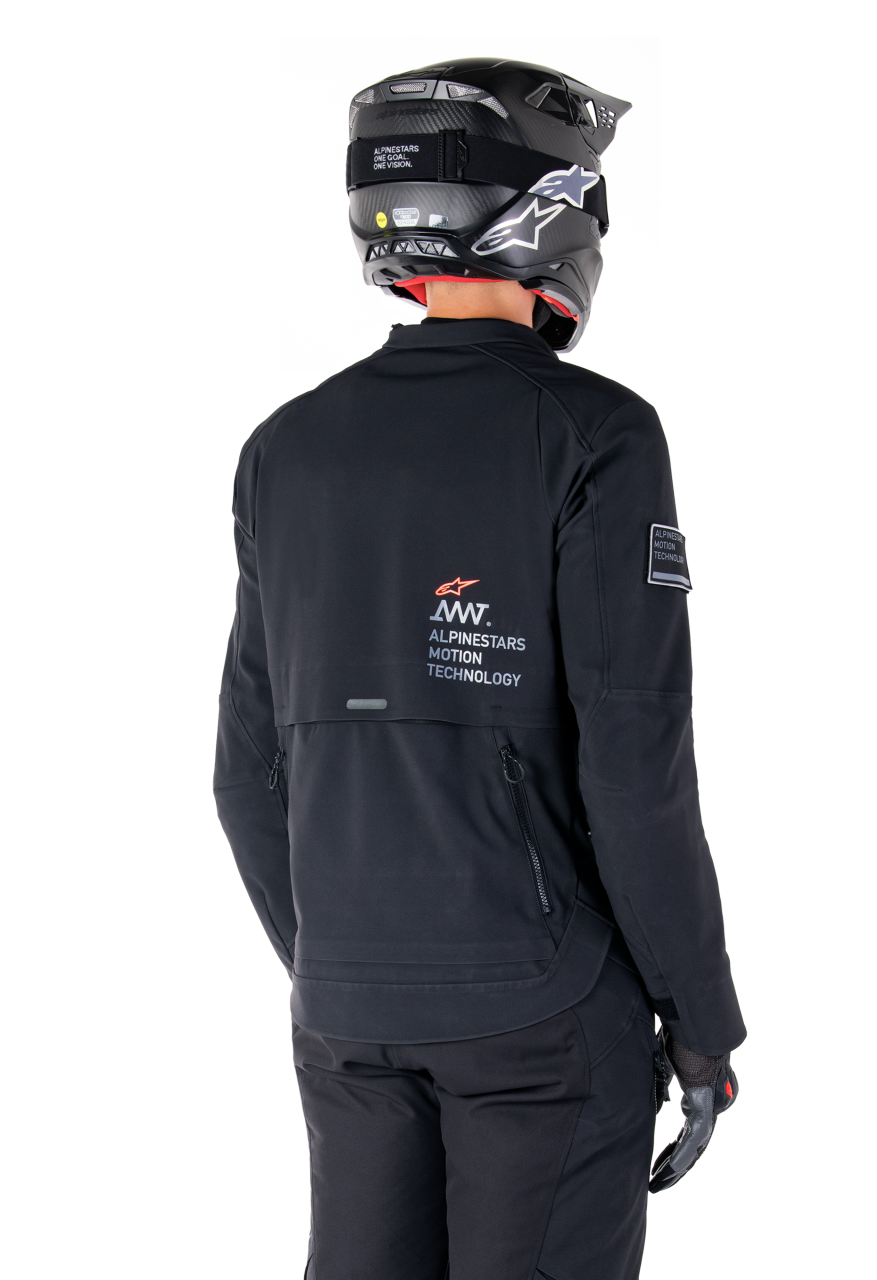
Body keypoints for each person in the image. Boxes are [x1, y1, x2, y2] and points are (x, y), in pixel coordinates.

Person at [215, 57, 747, 1279]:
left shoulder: (281, 449)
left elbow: (242, 777)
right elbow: (636, 768)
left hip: (347, 1012)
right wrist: (704, 1027)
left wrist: (342, 962)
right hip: (542, 1013)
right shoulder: (598, 432)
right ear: (549, 213)